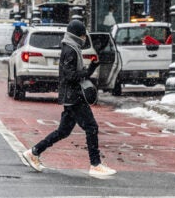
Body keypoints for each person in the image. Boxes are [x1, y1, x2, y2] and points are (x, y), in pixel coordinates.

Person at [21, 19, 116, 176]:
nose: (85, 38)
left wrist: (91, 68)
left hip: (71, 96)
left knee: (63, 131)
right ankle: (95, 164)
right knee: (91, 127)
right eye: (83, 34)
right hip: (74, 97)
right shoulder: (70, 50)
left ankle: (34, 152)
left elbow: (71, 74)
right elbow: (70, 75)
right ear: (77, 35)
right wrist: (87, 71)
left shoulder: (71, 48)